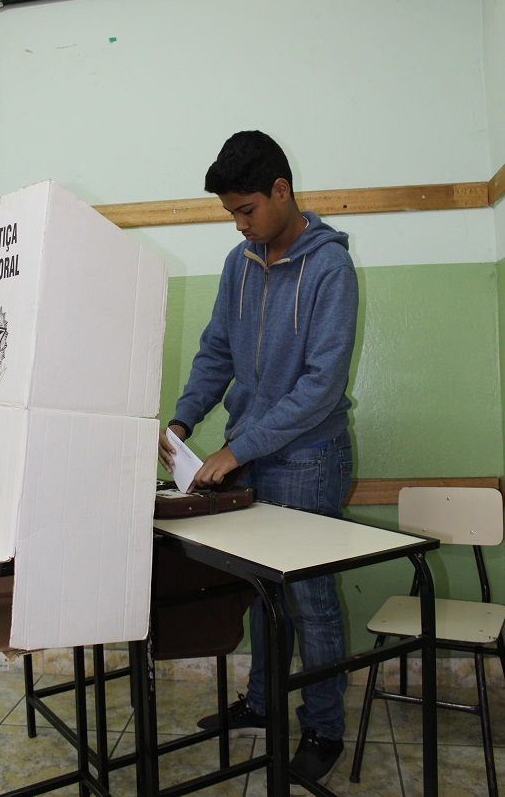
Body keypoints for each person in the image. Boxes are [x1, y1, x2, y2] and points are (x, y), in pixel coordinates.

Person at [158, 129, 359, 790]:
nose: (240, 225)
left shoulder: (330, 268)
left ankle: (323, 728)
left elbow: (321, 387)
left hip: (309, 459)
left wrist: (235, 448)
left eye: (246, 210)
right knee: (260, 594)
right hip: (248, 459)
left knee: (311, 602)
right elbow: (216, 351)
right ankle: (263, 704)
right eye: (231, 214)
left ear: (281, 190)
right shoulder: (239, 264)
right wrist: (184, 420)